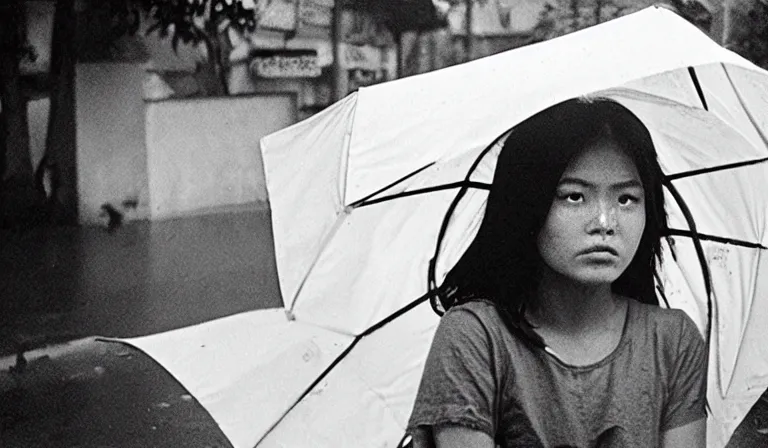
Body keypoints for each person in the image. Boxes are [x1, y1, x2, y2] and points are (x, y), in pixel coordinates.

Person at [406, 97, 707, 448]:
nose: (605, 223)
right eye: (574, 197)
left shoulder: (672, 341)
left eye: (626, 199)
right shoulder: (478, 336)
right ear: (527, 204)